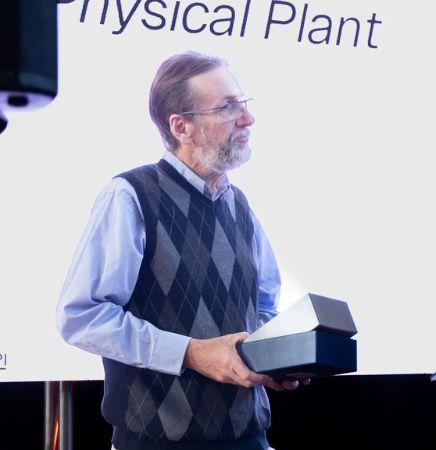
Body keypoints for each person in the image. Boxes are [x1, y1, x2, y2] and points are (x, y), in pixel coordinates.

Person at [56, 52, 300, 450]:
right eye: (227, 107)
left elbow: (262, 309)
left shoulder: (241, 206)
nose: (247, 119)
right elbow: (82, 316)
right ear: (181, 126)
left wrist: (273, 356)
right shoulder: (130, 196)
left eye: (243, 104)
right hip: (156, 440)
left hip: (247, 437)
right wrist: (190, 353)